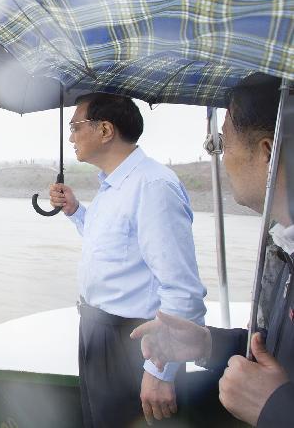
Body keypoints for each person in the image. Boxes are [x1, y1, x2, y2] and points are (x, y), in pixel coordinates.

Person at [130, 76, 293, 427]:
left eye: (224, 142)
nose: (221, 158)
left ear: (268, 151)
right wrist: (207, 345)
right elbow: (278, 354)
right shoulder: (282, 247)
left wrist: (278, 407)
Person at [49, 93, 207, 427]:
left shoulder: (153, 186)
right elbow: (110, 247)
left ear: (105, 130)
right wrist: (76, 211)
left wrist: (159, 371)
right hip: (95, 331)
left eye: (75, 126)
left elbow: (182, 289)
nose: (71, 137)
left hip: (132, 343)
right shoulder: (112, 184)